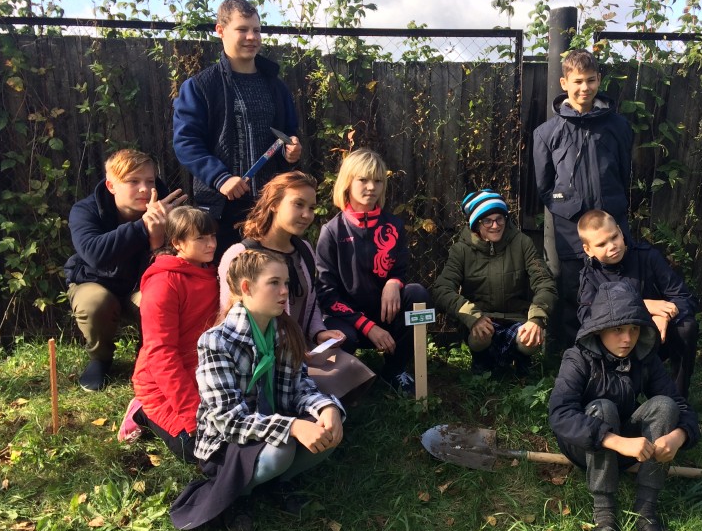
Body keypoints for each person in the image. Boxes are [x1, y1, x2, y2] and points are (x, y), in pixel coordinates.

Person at [170, 249, 345, 531]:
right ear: (246, 288)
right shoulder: (215, 342)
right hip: (228, 442)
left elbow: (301, 387)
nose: (284, 291)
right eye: (274, 283)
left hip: (270, 424)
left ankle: (276, 482)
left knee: (328, 430)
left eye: (286, 283)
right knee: (282, 449)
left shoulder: (284, 333)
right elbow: (229, 421)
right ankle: (241, 494)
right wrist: (293, 426)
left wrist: (327, 408)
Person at [548, 280, 700, 531]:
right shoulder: (577, 358)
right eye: (618, 329)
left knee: (666, 406)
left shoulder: (645, 357)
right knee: (603, 407)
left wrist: (679, 436)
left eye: (634, 329)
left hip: (629, 448)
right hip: (585, 446)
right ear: (600, 328)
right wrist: (615, 440)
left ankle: (646, 513)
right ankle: (604, 517)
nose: (628, 339)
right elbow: (560, 414)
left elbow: (681, 405)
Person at [217, 171, 375, 400]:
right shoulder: (240, 255)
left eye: (311, 208)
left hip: (304, 349)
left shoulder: (304, 250)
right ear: (274, 204)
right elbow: (232, 324)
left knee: (352, 368)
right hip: (262, 360)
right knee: (327, 386)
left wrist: (318, 333)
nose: (306, 215)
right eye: (298, 204)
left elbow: (310, 304)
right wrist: (287, 350)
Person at [172, 0, 303, 253]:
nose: (252, 37)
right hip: (221, 210)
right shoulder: (201, 86)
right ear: (220, 30)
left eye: (256, 30)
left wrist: (292, 150)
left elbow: (289, 132)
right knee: (226, 273)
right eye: (242, 29)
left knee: (272, 272)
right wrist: (220, 178)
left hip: (271, 206)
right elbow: (186, 143)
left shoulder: (276, 86)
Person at [533, 48, 634, 348]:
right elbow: (544, 187)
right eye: (577, 81)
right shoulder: (546, 133)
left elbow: (624, 175)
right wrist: (573, 211)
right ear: (564, 83)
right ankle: (574, 358)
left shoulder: (618, 127)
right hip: (571, 232)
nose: (584, 88)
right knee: (574, 295)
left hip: (612, 225)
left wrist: (611, 209)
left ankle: (615, 355)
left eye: (590, 80)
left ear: (599, 80)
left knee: (618, 290)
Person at [64, 148, 186, 391]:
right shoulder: (85, 210)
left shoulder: (170, 210)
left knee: (163, 297)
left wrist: (157, 242)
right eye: (133, 181)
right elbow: (95, 254)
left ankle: (149, 357)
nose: (144, 189)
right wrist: (143, 227)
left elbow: (181, 262)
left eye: (149, 181)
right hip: (96, 282)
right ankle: (100, 358)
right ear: (111, 186)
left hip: (143, 285)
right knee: (94, 302)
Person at [315, 148, 429, 396]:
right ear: (347, 182)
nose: (371, 187)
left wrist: (393, 283)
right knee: (343, 337)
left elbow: (400, 268)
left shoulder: (394, 226)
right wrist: (367, 326)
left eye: (378, 181)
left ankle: (395, 369)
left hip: (385, 315)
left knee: (417, 294)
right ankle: (344, 378)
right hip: (348, 321)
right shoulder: (331, 232)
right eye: (363, 180)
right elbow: (326, 294)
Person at [118, 207, 219, 462]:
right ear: (177, 243)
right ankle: (142, 411)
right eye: (200, 238)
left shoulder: (214, 274)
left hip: (205, 376)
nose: (211, 244)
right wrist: (193, 414)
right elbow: (161, 354)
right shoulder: (164, 284)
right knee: (202, 453)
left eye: (212, 236)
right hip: (163, 386)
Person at [432, 189, 556, 376]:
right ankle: (482, 363)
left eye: (500, 219)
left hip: (517, 319)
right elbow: (441, 289)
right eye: (487, 221)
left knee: (528, 340)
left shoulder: (522, 243)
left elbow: (545, 282)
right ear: (476, 223)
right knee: (481, 336)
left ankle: (522, 362)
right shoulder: (461, 251)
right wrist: (472, 316)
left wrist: (536, 318)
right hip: (482, 320)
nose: (495, 225)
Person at [577, 210, 699, 398]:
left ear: (620, 230)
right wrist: (642, 306)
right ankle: (614, 394)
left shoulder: (648, 257)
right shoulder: (589, 276)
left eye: (614, 237)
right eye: (601, 244)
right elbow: (587, 318)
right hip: (617, 345)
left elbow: (684, 298)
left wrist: (665, 316)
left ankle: (678, 397)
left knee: (686, 327)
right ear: (588, 250)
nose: (612, 246)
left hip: (657, 338)